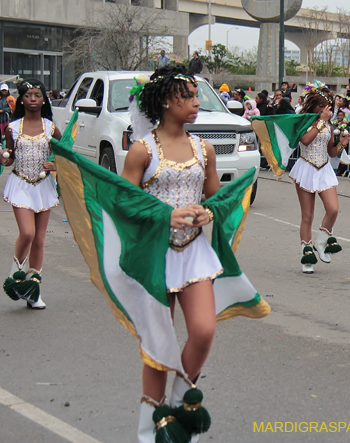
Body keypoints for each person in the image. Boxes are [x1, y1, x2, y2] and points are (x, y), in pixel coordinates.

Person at [120, 66, 222, 440]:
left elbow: (215, 196)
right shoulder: (141, 150)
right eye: (188, 96)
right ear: (166, 100)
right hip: (154, 256)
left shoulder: (204, 148)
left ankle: (180, 407)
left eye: (197, 96)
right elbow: (124, 204)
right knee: (158, 345)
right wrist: (166, 214)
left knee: (203, 331)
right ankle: (149, 431)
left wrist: (209, 211)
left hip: (194, 252)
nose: (197, 103)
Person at [0, 80, 62, 310]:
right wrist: (4, 158)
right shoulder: (12, 127)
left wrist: (55, 164)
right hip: (20, 184)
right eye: (28, 95)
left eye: (37, 95)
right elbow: (9, 157)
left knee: (39, 240)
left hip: (43, 186)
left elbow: (64, 153)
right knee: (27, 233)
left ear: (44, 99)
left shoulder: (51, 127)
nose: (33, 98)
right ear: (22, 99)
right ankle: (15, 276)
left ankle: (33, 290)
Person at [288, 87, 349, 273]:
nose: (326, 110)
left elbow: (330, 152)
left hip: (324, 169)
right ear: (314, 106)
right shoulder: (304, 122)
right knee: (307, 216)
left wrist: (341, 144)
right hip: (306, 168)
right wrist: (320, 122)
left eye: (328, 107)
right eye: (322, 107)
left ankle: (322, 243)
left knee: (333, 209)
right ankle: (306, 255)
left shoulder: (329, 126)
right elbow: (305, 141)